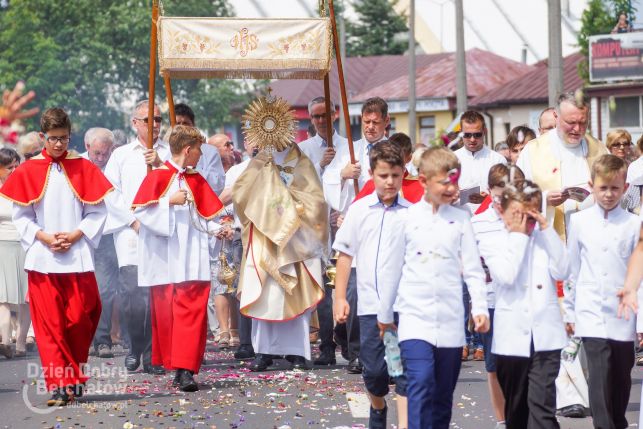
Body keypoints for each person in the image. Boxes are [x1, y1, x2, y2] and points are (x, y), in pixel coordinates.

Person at [0, 108, 112, 405]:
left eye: (63, 138)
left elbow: (98, 211)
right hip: (43, 258)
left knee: (80, 321)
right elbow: (21, 215)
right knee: (50, 328)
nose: (59, 144)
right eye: (53, 139)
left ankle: (74, 376)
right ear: (42, 137)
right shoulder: (28, 169)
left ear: (70, 136)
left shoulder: (85, 168)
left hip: (77, 257)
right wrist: (43, 236)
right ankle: (60, 385)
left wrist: (76, 234)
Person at [379, 147, 490, 429]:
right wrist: (385, 315)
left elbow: (473, 269)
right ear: (423, 180)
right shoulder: (405, 219)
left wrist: (478, 307)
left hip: (451, 322)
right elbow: (390, 269)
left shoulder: (462, 219)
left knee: (442, 395)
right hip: (415, 320)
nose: (451, 187)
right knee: (421, 381)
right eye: (444, 182)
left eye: (454, 181)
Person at [132, 125, 226, 392]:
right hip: (165, 258)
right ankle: (177, 367)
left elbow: (205, 217)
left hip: (192, 257)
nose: (200, 155)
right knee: (169, 317)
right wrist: (167, 202)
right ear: (188, 150)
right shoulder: (158, 176)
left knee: (192, 314)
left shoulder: (195, 179)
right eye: (198, 150)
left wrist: (221, 229)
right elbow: (141, 213)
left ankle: (186, 370)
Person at [233, 125, 328, 372]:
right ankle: (263, 352)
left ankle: (297, 352)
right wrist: (265, 195)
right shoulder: (258, 162)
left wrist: (290, 205)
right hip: (265, 239)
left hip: (294, 239)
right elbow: (241, 194)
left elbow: (315, 199)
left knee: (293, 292)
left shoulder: (300, 161)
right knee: (267, 296)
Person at [481, 180, 569, 429]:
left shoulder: (544, 238)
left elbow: (563, 269)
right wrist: (518, 236)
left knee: (542, 410)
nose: (524, 223)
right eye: (516, 215)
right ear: (502, 211)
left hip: (545, 338)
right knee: (517, 412)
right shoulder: (494, 241)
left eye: (528, 216)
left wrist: (546, 229)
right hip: (511, 340)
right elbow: (506, 275)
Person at [333, 141, 409, 429]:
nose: (390, 182)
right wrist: (340, 298)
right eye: (383, 176)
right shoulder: (359, 210)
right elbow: (345, 255)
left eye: (395, 175)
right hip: (369, 308)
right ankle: (378, 408)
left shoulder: (411, 213)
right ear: (372, 174)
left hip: (403, 308)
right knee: (375, 373)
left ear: (403, 174)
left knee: (402, 373)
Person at [563, 154, 641, 429]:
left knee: (619, 379)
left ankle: (616, 422)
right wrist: (569, 312)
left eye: (614, 188)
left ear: (625, 188)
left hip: (623, 314)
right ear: (591, 186)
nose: (608, 194)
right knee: (598, 375)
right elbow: (572, 269)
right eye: (602, 188)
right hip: (590, 310)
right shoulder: (580, 222)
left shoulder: (633, 225)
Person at [103, 100, 168, 375]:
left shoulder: (167, 152)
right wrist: (133, 221)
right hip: (130, 231)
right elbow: (109, 192)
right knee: (132, 295)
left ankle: (154, 353)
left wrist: (162, 164)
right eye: (147, 119)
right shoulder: (121, 155)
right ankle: (135, 347)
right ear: (134, 123)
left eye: (158, 119)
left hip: (161, 233)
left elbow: (181, 183)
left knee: (156, 294)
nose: (153, 125)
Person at [471, 163, 526, 429]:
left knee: (522, 364)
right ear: (490, 190)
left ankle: (521, 415)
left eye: (512, 187)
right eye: (499, 187)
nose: (505, 193)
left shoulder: (530, 219)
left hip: (524, 303)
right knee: (494, 365)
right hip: (492, 301)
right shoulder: (477, 223)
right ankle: (503, 420)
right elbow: (469, 267)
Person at [517, 91, 608, 242]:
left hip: (593, 240)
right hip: (550, 241)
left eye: (583, 122)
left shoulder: (599, 149)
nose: (577, 129)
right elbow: (516, 194)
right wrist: (544, 199)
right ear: (556, 116)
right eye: (571, 122)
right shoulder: (533, 150)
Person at [298, 96, 347, 366]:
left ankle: (348, 340)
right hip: (315, 228)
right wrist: (321, 166)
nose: (320, 121)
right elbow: (298, 187)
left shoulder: (350, 145)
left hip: (343, 225)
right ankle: (326, 345)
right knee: (325, 289)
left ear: (335, 114)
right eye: (315, 117)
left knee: (346, 284)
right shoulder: (304, 149)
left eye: (324, 115)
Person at [82, 128, 121, 358]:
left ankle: (102, 339)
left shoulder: (116, 164)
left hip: (107, 233)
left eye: (105, 153)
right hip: (81, 235)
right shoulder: (77, 164)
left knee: (105, 289)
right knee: (84, 290)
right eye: (97, 153)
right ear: (87, 147)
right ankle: (83, 337)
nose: (100, 158)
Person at [219, 139, 258, 360]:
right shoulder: (236, 171)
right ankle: (246, 341)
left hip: (271, 237)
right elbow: (223, 203)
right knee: (243, 288)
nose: (257, 144)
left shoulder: (277, 166)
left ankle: (271, 342)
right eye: (252, 139)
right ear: (246, 142)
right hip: (243, 235)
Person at [323, 97, 390, 212]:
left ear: (386, 121)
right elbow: (327, 179)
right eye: (367, 121)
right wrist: (342, 174)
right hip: (353, 216)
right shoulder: (347, 150)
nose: (370, 126)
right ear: (361, 119)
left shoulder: (394, 151)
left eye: (375, 122)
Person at [0, 148, 30, 359]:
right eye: (8, 167)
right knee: (2, 298)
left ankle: (21, 341)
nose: (13, 170)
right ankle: (5, 340)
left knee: (25, 298)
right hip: (2, 244)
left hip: (25, 244)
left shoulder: (28, 187)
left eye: (16, 165)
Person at [354, 133, 424, 203]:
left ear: (409, 158)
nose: (390, 181)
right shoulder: (372, 184)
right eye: (383, 176)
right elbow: (356, 210)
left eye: (400, 158)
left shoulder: (419, 186)